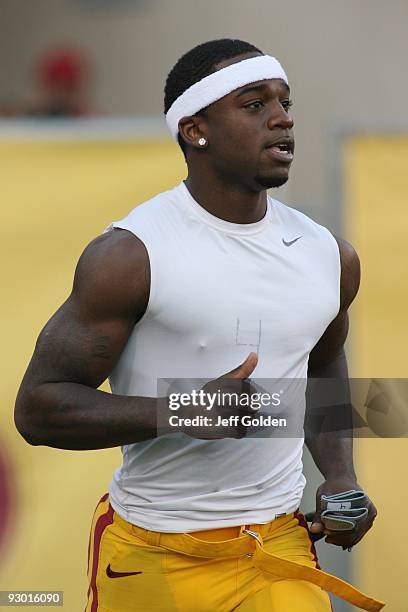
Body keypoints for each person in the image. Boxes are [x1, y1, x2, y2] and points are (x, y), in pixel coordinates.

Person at [15, 39, 384, 612]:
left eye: (285, 103)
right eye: (254, 104)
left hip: (277, 546)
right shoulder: (130, 255)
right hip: (154, 552)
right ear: (195, 130)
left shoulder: (329, 255)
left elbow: (323, 365)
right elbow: (38, 409)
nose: (282, 118)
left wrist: (340, 477)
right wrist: (182, 412)